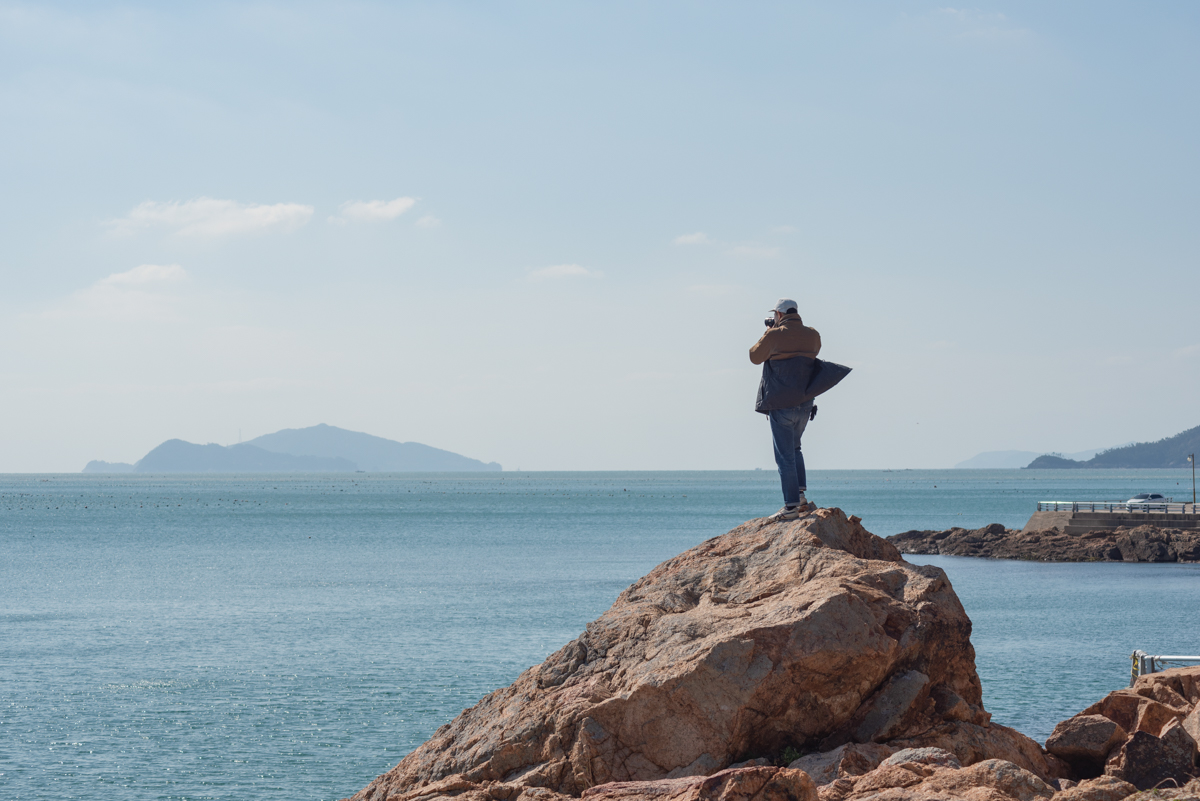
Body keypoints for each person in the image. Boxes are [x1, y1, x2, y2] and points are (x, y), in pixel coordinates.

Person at [750, 298, 822, 521]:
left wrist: (769, 331)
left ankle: (790, 507)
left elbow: (754, 357)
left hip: (781, 402)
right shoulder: (813, 334)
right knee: (796, 448)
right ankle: (799, 497)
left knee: (784, 456)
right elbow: (814, 353)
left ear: (779, 315)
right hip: (806, 402)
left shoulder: (774, 335)